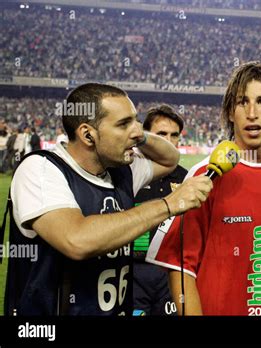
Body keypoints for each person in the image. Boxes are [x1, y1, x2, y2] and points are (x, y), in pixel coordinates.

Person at [4, 83, 212, 316]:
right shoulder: (41, 169)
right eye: (123, 124)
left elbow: (170, 158)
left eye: (135, 120)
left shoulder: (121, 172)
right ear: (87, 135)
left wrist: (139, 134)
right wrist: (168, 204)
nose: (135, 131)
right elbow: (77, 240)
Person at [147, 62, 261, 316]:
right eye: (242, 102)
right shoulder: (205, 176)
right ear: (231, 113)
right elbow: (179, 266)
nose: (252, 112)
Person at [133, 104, 188, 316]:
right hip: (135, 272)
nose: (169, 140)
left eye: (174, 135)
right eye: (161, 134)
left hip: (171, 272)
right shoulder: (128, 173)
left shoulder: (187, 178)